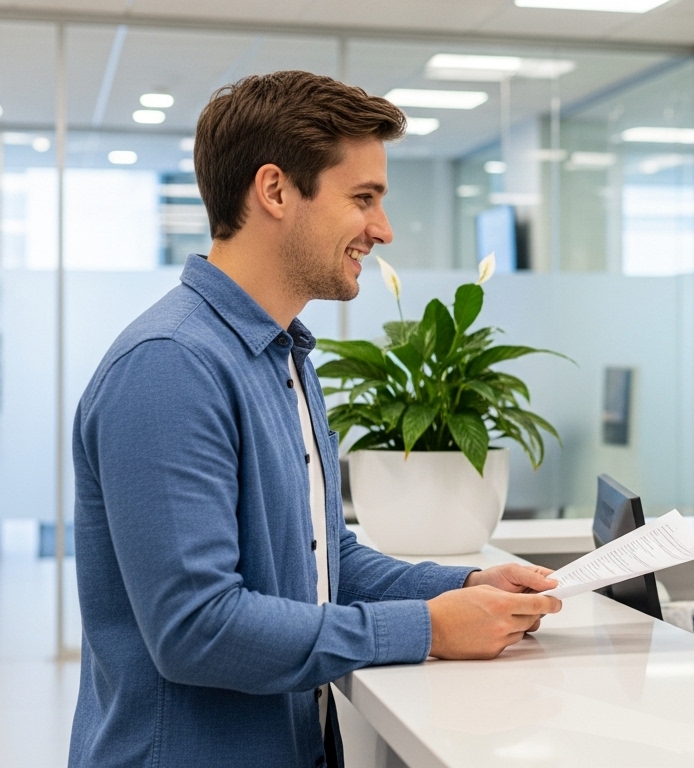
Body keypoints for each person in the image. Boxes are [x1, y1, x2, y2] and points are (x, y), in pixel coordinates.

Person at [68, 71, 561, 768]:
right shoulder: (171, 365)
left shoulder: (282, 354)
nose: (382, 230)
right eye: (363, 199)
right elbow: (197, 630)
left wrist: (459, 590)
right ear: (274, 191)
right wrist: (425, 628)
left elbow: (322, 558)